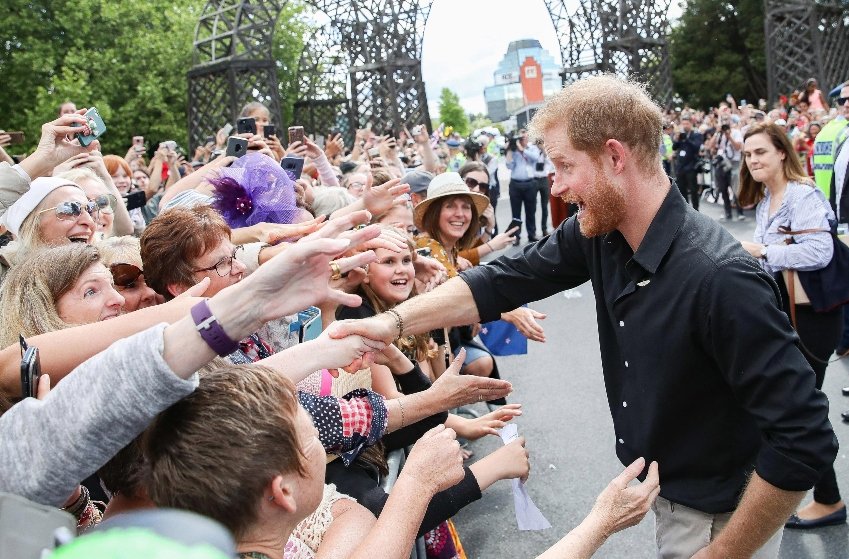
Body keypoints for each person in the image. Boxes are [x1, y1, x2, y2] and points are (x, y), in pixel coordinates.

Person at [330, 75, 838, 558]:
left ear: (614, 156)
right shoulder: (603, 232)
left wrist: (725, 551)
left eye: (564, 166)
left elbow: (805, 439)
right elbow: (505, 279)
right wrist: (391, 324)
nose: (556, 187)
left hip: (718, 515)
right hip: (673, 493)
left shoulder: (719, 278)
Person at [737, 122, 845, 530]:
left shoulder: (802, 194)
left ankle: (828, 499)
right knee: (796, 407)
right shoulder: (769, 198)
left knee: (797, 409)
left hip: (814, 314)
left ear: (783, 152)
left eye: (761, 152)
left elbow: (819, 251)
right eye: (748, 155)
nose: (753, 161)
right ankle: (821, 496)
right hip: (789, 311)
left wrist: (762, 250)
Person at [0, 176, 99, 284]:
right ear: (31, 225)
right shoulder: (5, 277)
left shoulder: (108, 268)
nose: (89, 222)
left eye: (90, 209)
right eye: (69, 209)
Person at [812, 82, 849, 201]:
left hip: (824, 197)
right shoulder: (844, 132)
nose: (846, 104)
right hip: (839, 199)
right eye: (843, 101)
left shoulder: (823, 131)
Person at [505, 129, 543, 243]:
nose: (523, 140)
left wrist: (522, 149)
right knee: (515, 213)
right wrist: (510, 149)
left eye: (525, 138)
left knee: (530, 211)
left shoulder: (532, 148)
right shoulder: (514, 150)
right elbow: (509, 166)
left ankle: (531, 234)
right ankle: (516, 236)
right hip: (515, 184)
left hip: (530, 184)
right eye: (521, 138)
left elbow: (535, 158)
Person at [672, 114, 703, 211]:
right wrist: (677, 139)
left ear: (691, 124)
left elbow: (696, 147)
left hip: (691, 166)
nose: (685, 126)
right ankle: (686, 211)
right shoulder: (680, 135)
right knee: (682, 190)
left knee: (693, 190)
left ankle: (696, 210)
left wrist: (687, 139)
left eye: (687, 123)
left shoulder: (696, 135)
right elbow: (674, 147)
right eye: (683, 123)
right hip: (681, 167)